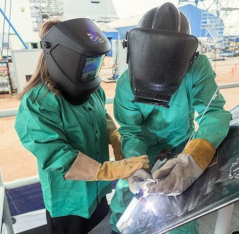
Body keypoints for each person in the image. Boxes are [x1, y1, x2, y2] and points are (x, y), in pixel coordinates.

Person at [14, 19, 150, 234]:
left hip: (96, 192)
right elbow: (56, 155)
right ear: (67, 60)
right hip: (68, 202)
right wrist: (108, 170)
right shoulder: (38, 103)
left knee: (98, 226)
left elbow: (101, 117)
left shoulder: (92, 90)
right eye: (88, 64)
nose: (92, 70)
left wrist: (116, 138)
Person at [110, 2, 232, 234]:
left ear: (186, 58)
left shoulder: (197, 69)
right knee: (125, 209)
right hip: (142, 150)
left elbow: (213, 113)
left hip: (181, 149)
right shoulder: (126, 82)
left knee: (181, 218)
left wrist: (191, 162)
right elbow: (131, 131)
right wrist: (135, 165)